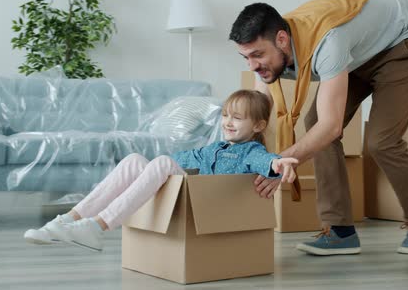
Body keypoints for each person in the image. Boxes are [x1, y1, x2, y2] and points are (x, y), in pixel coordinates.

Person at [229, 0, 408, 255]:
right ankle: (340, 231)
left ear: (281, 40)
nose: (252, 66)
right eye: (245, 57)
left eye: (257, 55)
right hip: (360, 51)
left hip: (400, 41)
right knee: (314, 122)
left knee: (380, 141)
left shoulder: (328, 44)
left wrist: (281, 164)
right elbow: (259, 103)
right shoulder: (275, 47)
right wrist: (232, 139)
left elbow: (331, 127)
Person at [24, 89, 298, 251]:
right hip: (188, 197)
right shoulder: (212, 148)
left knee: (163, 163)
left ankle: (99, 225)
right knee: (134, 160)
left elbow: (264, 161)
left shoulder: (251, 151)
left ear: (259, 126)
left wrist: (277, 164)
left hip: (205, 205)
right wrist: (147, 170)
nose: (228, 122)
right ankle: (69, 219)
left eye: (237, 118)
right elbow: (178, 159)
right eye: (225, 115)